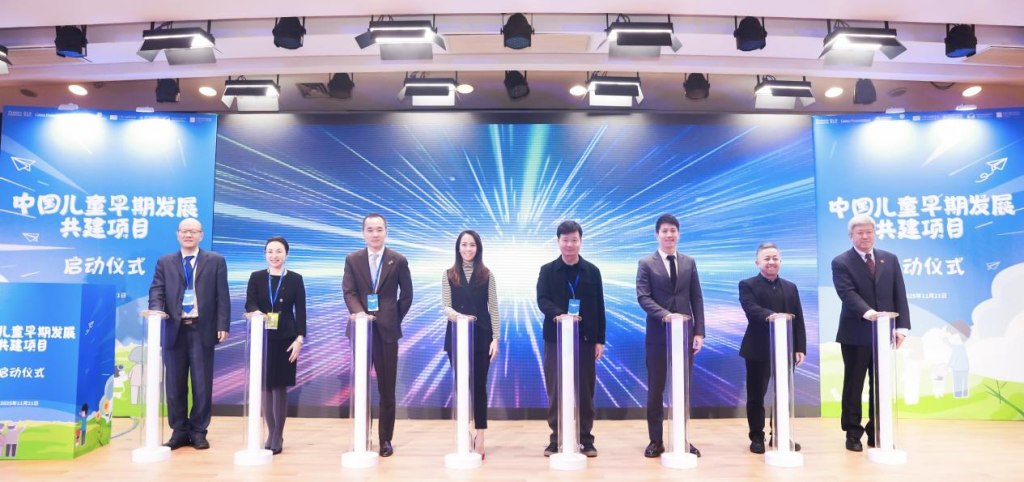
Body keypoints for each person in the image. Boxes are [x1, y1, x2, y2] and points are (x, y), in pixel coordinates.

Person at [147, 218, 230, 450]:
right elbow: (157, 290)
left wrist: (223, 324)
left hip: (202, 328)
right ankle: (179, 431)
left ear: (201, 235)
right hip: (174, 329)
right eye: (184, 231)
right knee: (175, 385)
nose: (188, 235)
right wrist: (156, 311)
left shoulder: (215, 261)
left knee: (202, 384)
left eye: (193, 231)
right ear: (177, 235)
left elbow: (223, 295)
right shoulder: (165, 262)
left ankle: (199, 431)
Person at [832, 214, 910, 452]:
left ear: (874, 233)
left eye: (869, 232)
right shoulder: (841, 262)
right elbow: (847, 293)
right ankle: (852, 433)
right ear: (851, 236)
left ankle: (877, 432)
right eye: (860, 233)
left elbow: (899, 293)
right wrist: (870, 313)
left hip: (884, 333)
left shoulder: (889, 259)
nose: (865, 236)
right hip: (855, 332)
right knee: (854, 385)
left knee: (880, 385)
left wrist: (902, 327)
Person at [342, 213, 413, 457]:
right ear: (363, 233)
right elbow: (349, 292)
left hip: (387, 333)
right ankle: (361, 437)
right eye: (370, 230)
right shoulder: (353, 259)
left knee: (386, 389)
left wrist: (392, 318)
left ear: (386, 232)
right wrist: (360, 315)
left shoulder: (398, 260)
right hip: (361, 331)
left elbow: (407, 296)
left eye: (379, 229)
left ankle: (385, 440)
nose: (375, 234)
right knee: (361, 387)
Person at [636, 213, 705, 458]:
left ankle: (682, 439)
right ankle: (656, 440)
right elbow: (643, 297)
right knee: (656, 389)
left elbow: (696, 297)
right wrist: (667, 316)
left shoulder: (689, 262)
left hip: (685, 335)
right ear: (657, 235)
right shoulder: (646, 263)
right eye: (664, 231)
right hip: (658, 335)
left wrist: (699, 332)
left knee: (683, 388)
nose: (669, 235)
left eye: (673, 230)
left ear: (678, 234)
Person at [537, 220, 606, 458]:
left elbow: (599, 307)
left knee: (585, 391)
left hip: (585, 339)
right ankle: (556, 439)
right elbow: (542, 300)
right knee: (556, 390)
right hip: (556, 339)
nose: (569, 244)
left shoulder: (592, 271)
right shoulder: (547, 270)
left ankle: (585, 439)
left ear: (580, 241)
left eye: (574, 240)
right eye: (565, 240)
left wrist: (599, 340)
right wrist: (559, 315)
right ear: (558, 242)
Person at [738, 242, 807, 454]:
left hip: (786, 349)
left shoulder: (790, 287)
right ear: (757, 262)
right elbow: (751, 309)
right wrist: (773, 316)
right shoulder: (747, 285)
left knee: (783, 395)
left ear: (780, 261)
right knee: (756, 396)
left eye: (775, 258)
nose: (771, 262)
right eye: (767, 258)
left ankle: (780, 435)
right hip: (758, 349)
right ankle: (757, 437)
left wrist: (800, 347)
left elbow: (798, 318)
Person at [245, 236, 307, 455]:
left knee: (279, 387)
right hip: (262, 338)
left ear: (286, 254)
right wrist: (257, 313)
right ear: (265, 254)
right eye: (270, 251)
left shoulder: (296, 279)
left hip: (286, 339)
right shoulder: (256, 277)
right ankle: (271, 433)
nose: (274, 255)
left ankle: (277, 434)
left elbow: (301, 311)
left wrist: (299, 339)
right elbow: (250, 302)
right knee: (264, 386)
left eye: (279, 251)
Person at [441, 230, 500, 457]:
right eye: (464, 244)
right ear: (458, 248)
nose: (468, 249)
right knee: (461, 385)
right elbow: (446, 305)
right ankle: (464, 433)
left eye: (472, 245)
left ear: (478, 248)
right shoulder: (448, 274)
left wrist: (496, 338)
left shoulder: (487, 275)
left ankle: (480, 436)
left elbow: (493, 307)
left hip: (482, 336)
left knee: (479, 387)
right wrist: (458, 316)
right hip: (457, 335)